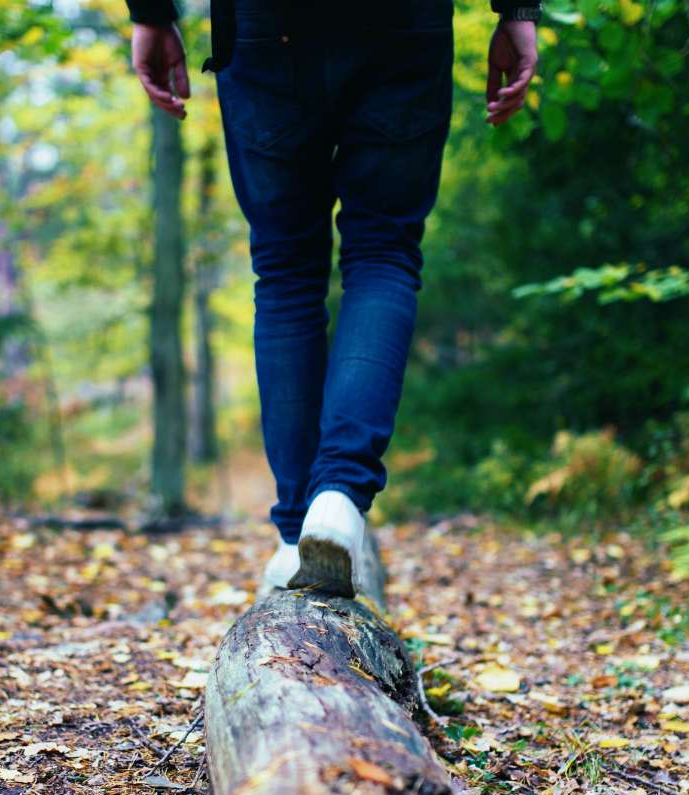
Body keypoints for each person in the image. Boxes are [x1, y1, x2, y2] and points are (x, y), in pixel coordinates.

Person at [126, 0, 538, 597]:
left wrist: (152, 15)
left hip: (267, 26)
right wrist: (519, 10)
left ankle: (296, 535)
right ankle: (339, 500)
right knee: (383, 253)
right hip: (404, 23)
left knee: (287, 272)